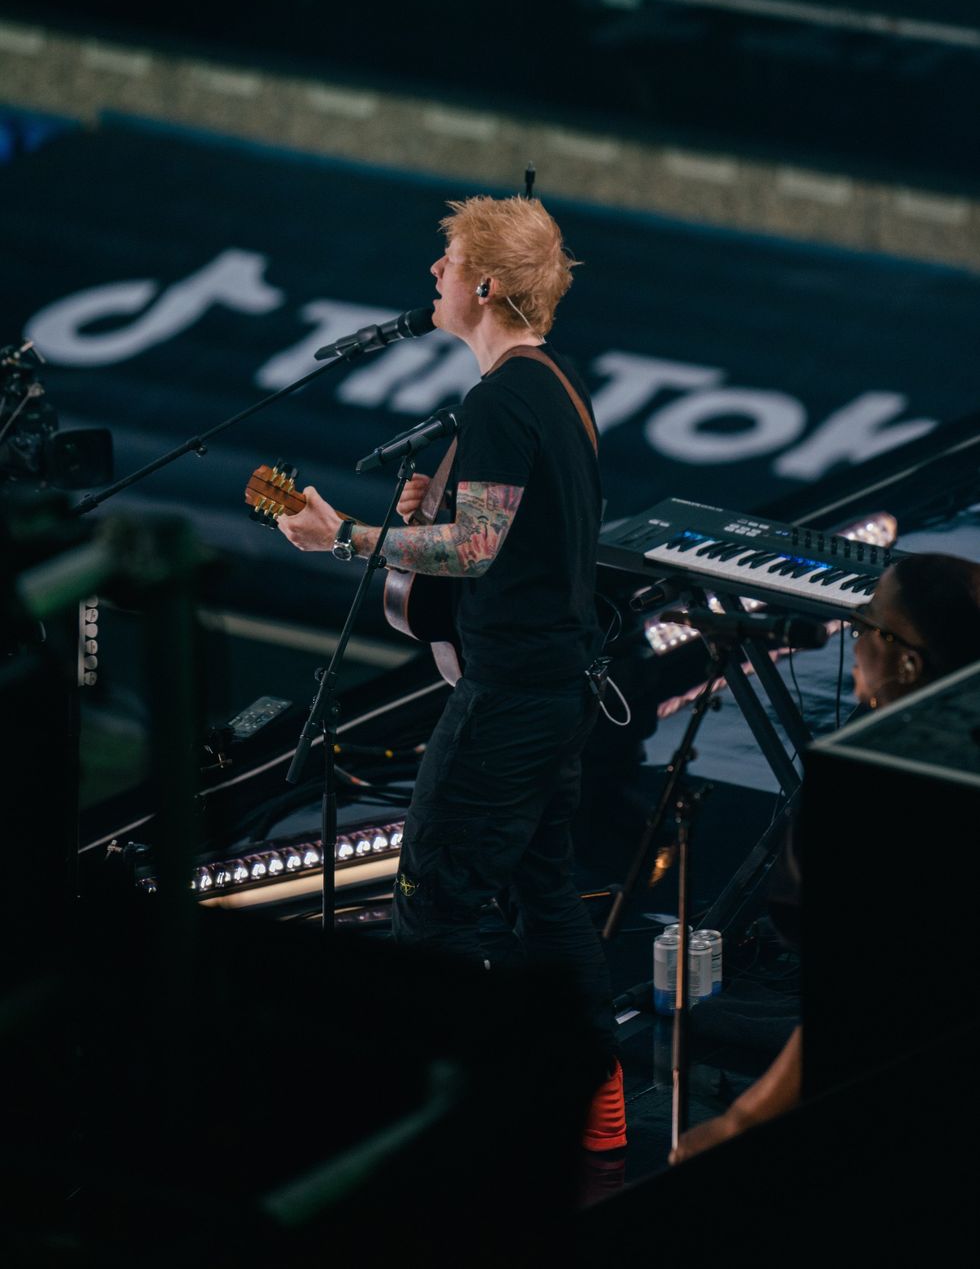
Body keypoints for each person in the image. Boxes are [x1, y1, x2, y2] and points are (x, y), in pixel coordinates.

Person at [279, 194, 625, 1152]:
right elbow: (502, 536)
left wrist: (342, 534)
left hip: (508, 691)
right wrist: (418, 516)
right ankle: (594, 1122)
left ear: (483, 283)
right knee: (546, 894)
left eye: (446, 260)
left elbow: (472, 548)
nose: (431, 274)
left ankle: (464, 1139)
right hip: (556, 686)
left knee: (434, 905)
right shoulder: (553, 387)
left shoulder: (499, 397)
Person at [669, 551, 980, 1165]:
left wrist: (741, 1121)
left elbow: (859, 995)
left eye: (867, 625)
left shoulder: (867, 787)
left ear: (908, 662)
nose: (856, 637)